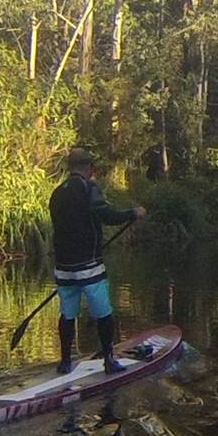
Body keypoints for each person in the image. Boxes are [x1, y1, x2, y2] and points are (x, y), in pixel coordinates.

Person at [50, 146, 146, 375]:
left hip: (64, 268)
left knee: (67, 314)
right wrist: (132, 213)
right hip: (89, 266)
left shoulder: (57, 193)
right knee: (104, 313)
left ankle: (65, 362)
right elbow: (106, 215)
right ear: (88, 168)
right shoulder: (89, 188)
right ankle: (109, 361)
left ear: (69, 168)